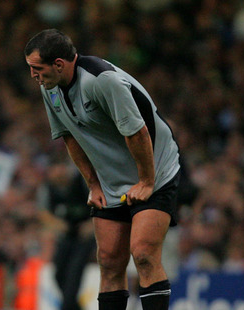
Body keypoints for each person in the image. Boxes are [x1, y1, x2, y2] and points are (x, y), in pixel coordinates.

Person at [24, 29, 181, 310]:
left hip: (155, 170)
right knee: (109, 261)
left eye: (37, 69)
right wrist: (94, 184)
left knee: (143, 253)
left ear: (59, 64)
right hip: (110, 181)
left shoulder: (102, 81)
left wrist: (146, 180)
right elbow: (69, 135)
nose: (33, 75)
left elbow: (138, 133)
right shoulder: (49, 89)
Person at [37, 159, 96, 310]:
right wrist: (61, 226)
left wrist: (91, 224)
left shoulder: (82, 182)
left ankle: (67, 305)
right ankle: (74, 306)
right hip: (65, 237)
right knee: (58, 275)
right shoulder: (47, 188)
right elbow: (43, 213)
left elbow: (98, 202)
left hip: (84, 238)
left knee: (73, 276)